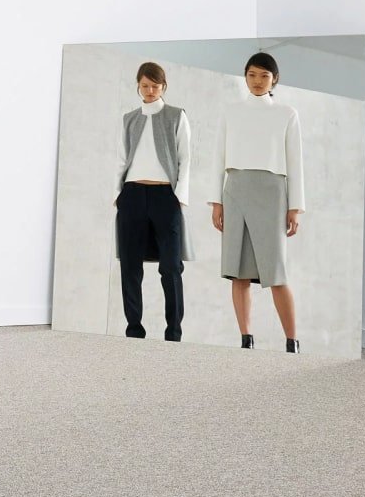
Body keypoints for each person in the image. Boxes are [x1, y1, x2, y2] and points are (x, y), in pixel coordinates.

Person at [207, 53, 304, 353]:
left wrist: (295, 207)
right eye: (252, 75)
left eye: (264, 75)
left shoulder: (287, 114)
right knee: (238, 271)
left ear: (275, 79)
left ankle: (292, 341)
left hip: (273, 193)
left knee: (276, 272)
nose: (257, 81)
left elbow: (295, 162)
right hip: (235, 191)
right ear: (245, 76)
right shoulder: (230, 111)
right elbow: (218, 157)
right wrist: (216, 202)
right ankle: (246, 339)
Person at [114, 62, 194, 342]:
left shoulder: (176, 116)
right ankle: (134, 330)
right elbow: (121, 159)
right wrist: (118, 195)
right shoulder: (129, 119)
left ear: (164, 86)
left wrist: (179, 198)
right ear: (138, 86)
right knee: (130, 266)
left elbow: (185, 159)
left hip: (165, 196)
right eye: (145, 85)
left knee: (171, 267)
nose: (150, 90)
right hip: (132, 194)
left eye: (155, 86)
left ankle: (174, 333)